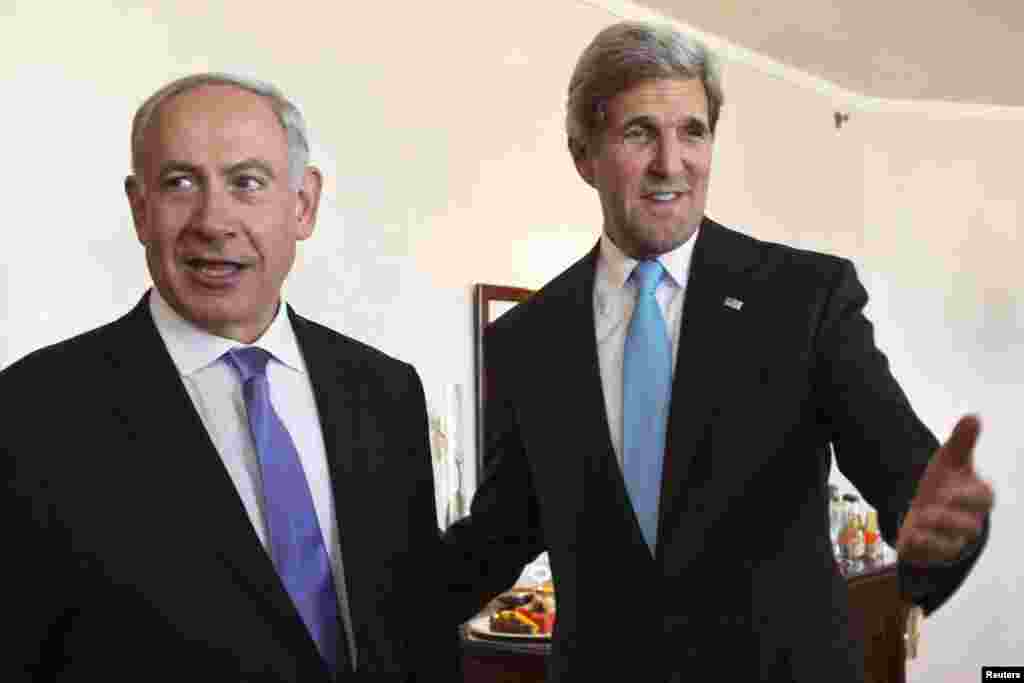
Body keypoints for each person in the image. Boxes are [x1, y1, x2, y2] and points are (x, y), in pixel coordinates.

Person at [443, 21, 995, 682]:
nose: (671, 163)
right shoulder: (527, 340)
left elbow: (908, 477)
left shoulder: (806, 299)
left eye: (693, 132)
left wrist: (939, 534)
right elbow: (498, 535)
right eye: (640, 132)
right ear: (583, 154)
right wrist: (363, 595)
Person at [2, 73, 456, 681]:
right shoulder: (32, 412)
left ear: (303, 204)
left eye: (247, 182)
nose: (214, 221)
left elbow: (418, 629)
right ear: (140, 209)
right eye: (180, 182)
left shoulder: (386, 393)